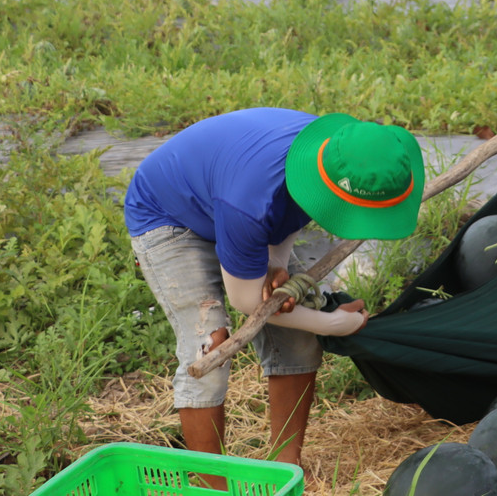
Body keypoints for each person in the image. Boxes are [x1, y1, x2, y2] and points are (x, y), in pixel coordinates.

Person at [123, 108, 424, 475]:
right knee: (209, 342)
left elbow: (294, 207)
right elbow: (248, 302)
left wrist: (277, 261)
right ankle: (213, 485)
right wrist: (330, 325)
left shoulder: (345, 152)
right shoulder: (250, 200)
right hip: (168, 215)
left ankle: (284, 470)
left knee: (297, 339)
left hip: (232, 198)